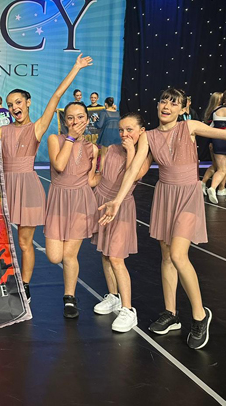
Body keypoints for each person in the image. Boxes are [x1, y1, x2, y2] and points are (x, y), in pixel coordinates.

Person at [98, 88, 226, 349]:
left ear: (183, 108)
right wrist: (117, 200)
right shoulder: (148, 137)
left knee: (178, 255)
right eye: (164, 101)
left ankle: (200, 315)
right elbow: (133, 170)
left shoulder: (190, 126)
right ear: (158, 105)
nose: (167, 106)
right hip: (165, 195)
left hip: (187, 195)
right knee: (166, 256)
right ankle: (171, 313)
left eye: (174, 103)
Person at [1, 53, 93, 303]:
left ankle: (25, 287)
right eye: (10, 104)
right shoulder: (0, 131)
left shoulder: (38, 127)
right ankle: (1, 283)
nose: (14, 107)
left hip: (28, 190)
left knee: (24, 243)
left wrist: (76, 67)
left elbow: (56, 96)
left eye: (18, 102)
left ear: (27, 103)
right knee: (3, 243)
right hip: (6, 189)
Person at [91, 113, 150, 332]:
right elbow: (99, 176)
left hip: (121, 207)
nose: (124, 134)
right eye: (121, 130)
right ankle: (113, 296)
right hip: (102, 202)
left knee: (116, 258)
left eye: (129, 130)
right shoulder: (111, 149)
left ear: (141, 131)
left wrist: (132, 151)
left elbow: (135, 175)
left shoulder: (145, 156)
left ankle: (128, 309)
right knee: (106, 254)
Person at [45, 102, 99, 318]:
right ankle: (69, 295)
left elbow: (91, 180)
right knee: (54, 256)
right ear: (65, 121)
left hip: (80, 203)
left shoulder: (93, 148)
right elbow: (59, 165)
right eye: (70, 118)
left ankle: (69, 297)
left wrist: (116, 174)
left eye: (80, 117)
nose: (75, 122)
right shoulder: (55, 140)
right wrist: (70, 138)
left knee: (69, 255)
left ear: (87, 119)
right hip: (58, 201)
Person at [200, 92, 223, 193]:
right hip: (216, 141)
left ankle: (205, 184)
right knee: (220, 166)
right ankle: (210, 186)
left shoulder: (211, 111)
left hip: (215, 141)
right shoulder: (216, 112)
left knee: (216, 165)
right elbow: (211, 129)